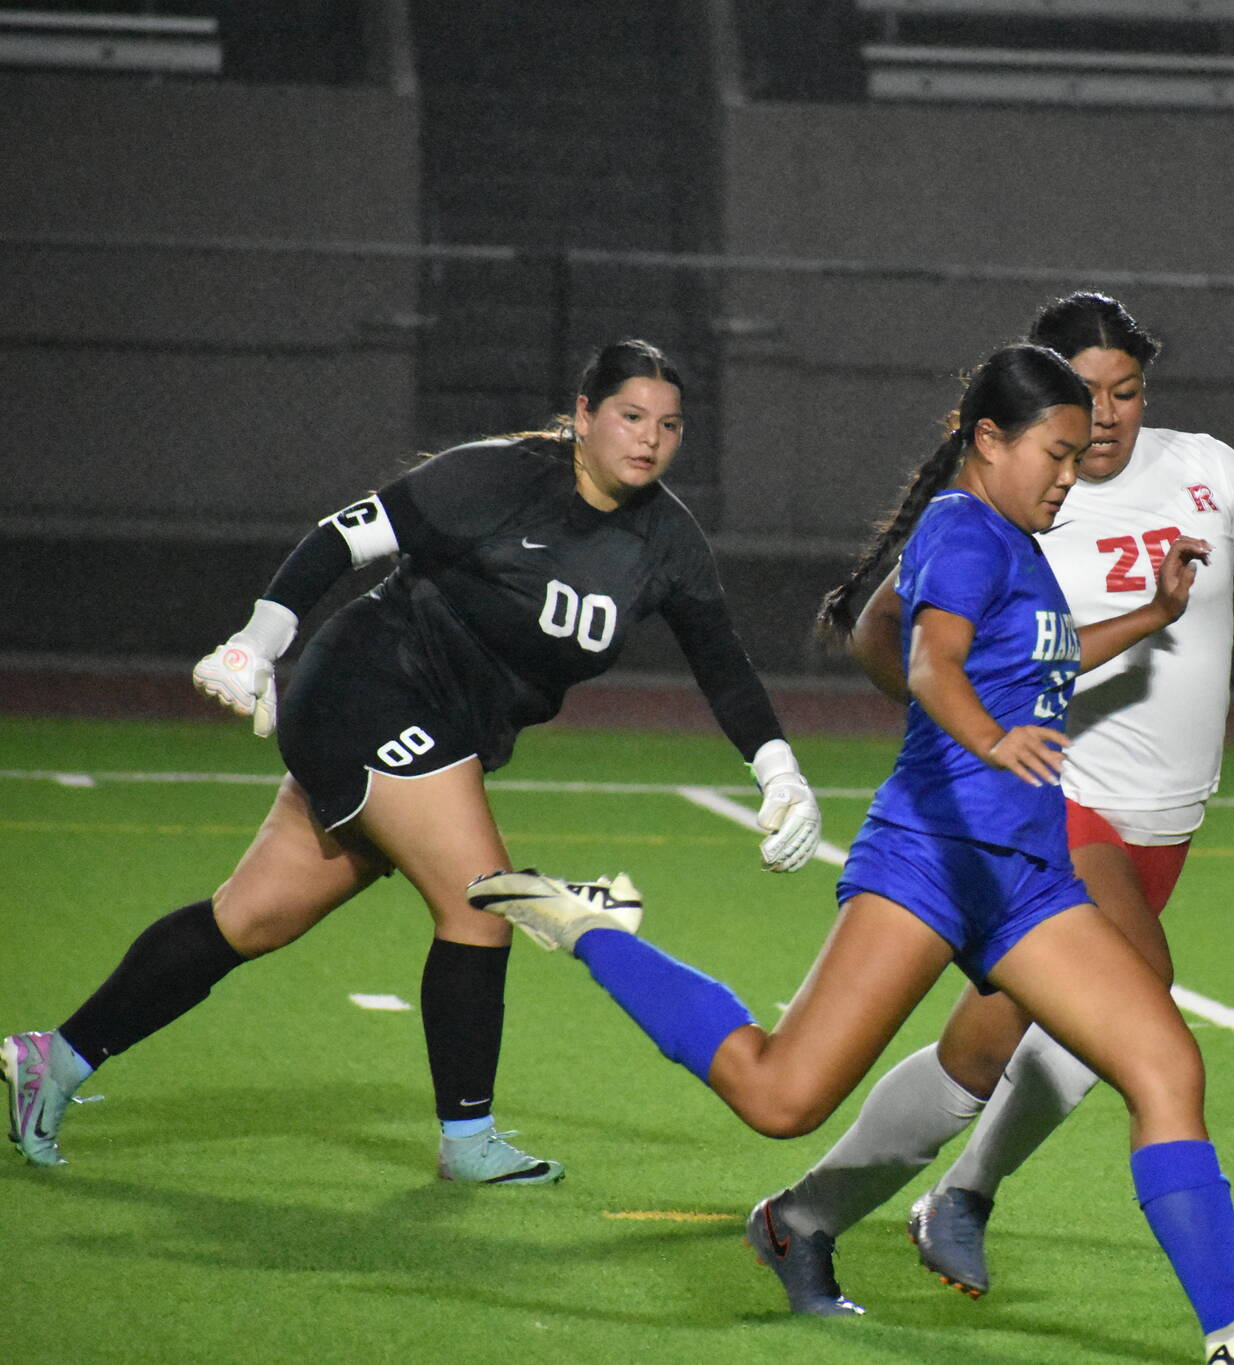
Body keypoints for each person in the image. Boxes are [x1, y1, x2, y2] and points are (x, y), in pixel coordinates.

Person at [467, 342, 1234, 1364]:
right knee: (779, 1097)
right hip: (929, 857)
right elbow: (930, 660)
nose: (1067, 474)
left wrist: (1152, 614)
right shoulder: (960, 532)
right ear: (988, 441)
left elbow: (1041, 655)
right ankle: (595, 926)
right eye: (1053, 452)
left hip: (1024, 878)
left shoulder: (1017, 534)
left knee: (1163, 1064)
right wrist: (987, 736)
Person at [753, 292, 1234, 1304]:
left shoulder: (1204, 470)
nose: (1110, 414)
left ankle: (808, 1215)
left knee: (981, 1052)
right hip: (1061, 806)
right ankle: (989, 1210)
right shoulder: (1023, 492)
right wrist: (971, 733)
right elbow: (884, 635)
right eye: (1086, 395)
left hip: (1161, 827)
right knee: (1140, 1004)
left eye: (1126, 390)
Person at [2, 339, 823, 1185]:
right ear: (583, 415)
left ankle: (51, 1061)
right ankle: (469, 1139)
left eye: (670, 425)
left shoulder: (667, 540)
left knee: (251, 917)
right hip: (368, 688)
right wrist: (258, 641)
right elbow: (341, 538)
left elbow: (721, 662)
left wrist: (779, 772)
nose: (650, 438)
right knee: (483, 901)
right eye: (630, 416)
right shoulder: (497, 477)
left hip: (436, 728)